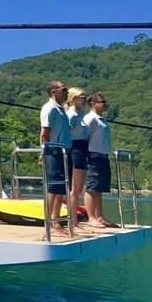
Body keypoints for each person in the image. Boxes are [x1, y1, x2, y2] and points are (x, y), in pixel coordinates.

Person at [40, 80, 72, 236]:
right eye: (64, 89)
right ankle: (50, 224)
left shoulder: (61, 109)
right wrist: (43, 152)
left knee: (60, 189)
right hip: (53, 151)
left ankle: (56, 221)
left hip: (63, 151)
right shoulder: (50, 108)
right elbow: (45, 132)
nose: (66, 93)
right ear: (54, 91)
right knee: (52, 188)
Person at [82, 92, 116, 228]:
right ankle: (91, 217)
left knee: (99, 188)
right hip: (93, 155)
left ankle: (99, 216)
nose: (105, 104)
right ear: (93, 104)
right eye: (102, 102)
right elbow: (84, 137)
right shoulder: (90, 119)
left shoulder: (102, 119)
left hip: (103, 155)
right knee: (91, 187)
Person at [66, 87, 89, 223]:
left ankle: (74, 218)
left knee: (78, 189)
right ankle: (73, 220)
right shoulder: (72, 115)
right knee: (74, 189)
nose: (84, 100)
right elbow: (67, 132)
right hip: (75, 149)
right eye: (81, 97)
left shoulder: (80, 114)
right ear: (74, 98)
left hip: (82, 149)